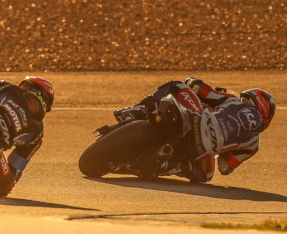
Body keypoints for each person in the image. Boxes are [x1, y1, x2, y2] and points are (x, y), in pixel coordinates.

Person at [113, 78, 275, 182]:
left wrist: (192, 82)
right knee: (207, 176)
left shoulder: (232, 101)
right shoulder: (253, 145)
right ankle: (171, 166)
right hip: (201, 150)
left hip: (195, 118)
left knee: (176, 85)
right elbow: (224, 168)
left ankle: (135, 111)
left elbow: (204, 90)